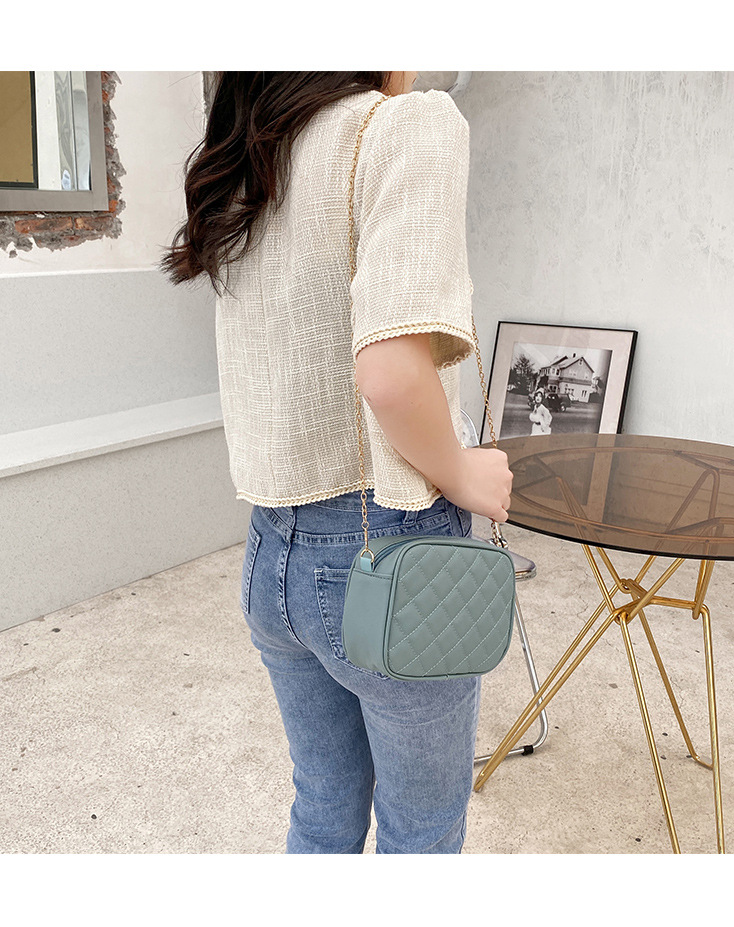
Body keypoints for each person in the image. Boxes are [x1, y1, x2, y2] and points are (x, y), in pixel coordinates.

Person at [160, 71, 513, 854]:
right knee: (422, 832)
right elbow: (390, 374)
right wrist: (462, 471)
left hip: (271, 556)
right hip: (388, 548)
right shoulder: (405, 126)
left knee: (322, 806)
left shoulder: (252, 157)